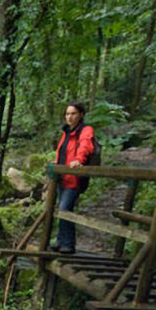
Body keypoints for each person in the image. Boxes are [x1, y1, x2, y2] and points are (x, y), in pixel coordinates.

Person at [50, 101, 94, 254]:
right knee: (62, 208)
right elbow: (62, 153)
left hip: (74, 178)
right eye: (67, 114)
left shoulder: (85, 130)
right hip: (62, 177)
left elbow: (85, 146)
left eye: (73, 113)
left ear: (81, 115)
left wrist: (79, 160)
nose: (69, 117)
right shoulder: (66, 132)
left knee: (65, 208)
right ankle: (61, 240)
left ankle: (68, 244)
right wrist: (55, 164)